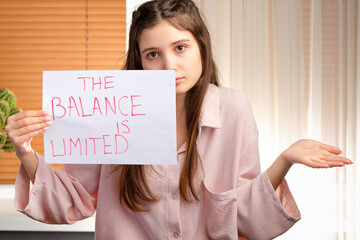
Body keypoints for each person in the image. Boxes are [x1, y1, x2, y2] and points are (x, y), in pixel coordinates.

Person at [5, 0, 352, 239]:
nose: (169, 65)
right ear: (140, 61)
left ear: (201, 46)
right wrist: (26, 152)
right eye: (153, 54)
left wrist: (286, 159)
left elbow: (242, 215)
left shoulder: (233, 109)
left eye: (181, 48)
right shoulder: (110, 109)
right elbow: (75, 200)